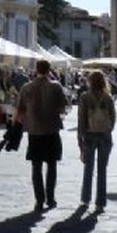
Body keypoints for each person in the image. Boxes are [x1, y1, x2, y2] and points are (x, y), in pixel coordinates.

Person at [15, 59, 68, 214]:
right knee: (52, 165)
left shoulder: (27, 88)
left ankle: (39, 200)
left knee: (36, 166)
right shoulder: (56, 87)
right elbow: (63, 106)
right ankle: (50, 198)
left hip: (34, 131)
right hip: (52, 130)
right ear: (49, 70)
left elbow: (19, 110)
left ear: (36, 70)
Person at [77, 69, 116, 213]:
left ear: (90, 81)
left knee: (88, 169)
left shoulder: (85, 97)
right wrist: (107, 130)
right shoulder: (108, 97)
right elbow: (113, 118)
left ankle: (85, 199)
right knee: (102, 170)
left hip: (89, 135)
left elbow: (81, 120)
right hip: (105, 136)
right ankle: (100, 203)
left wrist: (80, 140)